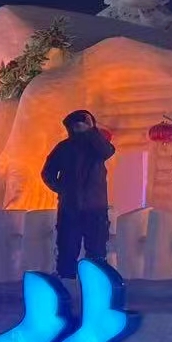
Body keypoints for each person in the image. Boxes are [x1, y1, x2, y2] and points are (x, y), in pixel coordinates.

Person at [41, 109, 116, 280]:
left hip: (95, 207)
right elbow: (47, 173)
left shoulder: (97, 147)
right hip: (70, 207)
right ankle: (66, 281)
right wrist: (62, 189)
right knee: (67, 248)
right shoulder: (63, 148)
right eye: (77, 125)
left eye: (83, 124)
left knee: (97, 250)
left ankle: (96, 283)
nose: (80, 128)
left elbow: (108, 151)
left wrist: (92, 132)